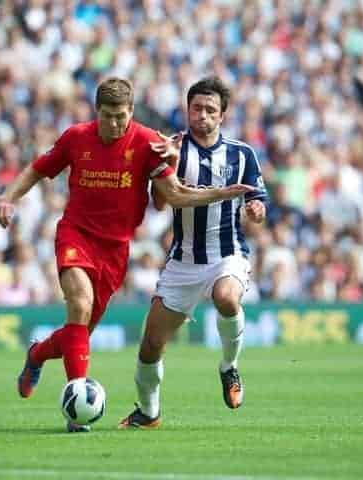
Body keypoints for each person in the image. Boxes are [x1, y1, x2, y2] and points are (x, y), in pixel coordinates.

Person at [0, 77, 258, 432]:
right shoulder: (76, 137)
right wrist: (8, 196)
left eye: (122, 116)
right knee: (80, 305)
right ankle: (77, 410)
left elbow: (174, 197)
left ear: (131, 111)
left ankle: (38, 353)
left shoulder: (148, 142)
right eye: (108, 116)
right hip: (76, 234)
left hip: (115, 249)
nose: (115, 123)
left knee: (80, 331)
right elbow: (39, 168)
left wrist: (223, 193)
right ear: (96, 112)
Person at [118, 76, 268, 429]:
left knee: (227, 298)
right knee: (151, 344)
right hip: (183, 260)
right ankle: (148, 412)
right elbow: (158, 203)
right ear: (187, 109)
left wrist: (257, 211)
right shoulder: (170, 148)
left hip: (227, 253)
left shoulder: (242, 153)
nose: (202, 115)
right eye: (197, 108)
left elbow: (257, 201)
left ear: (222, 115)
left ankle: (229, 367)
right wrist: (164, 170)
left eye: (210, 110)